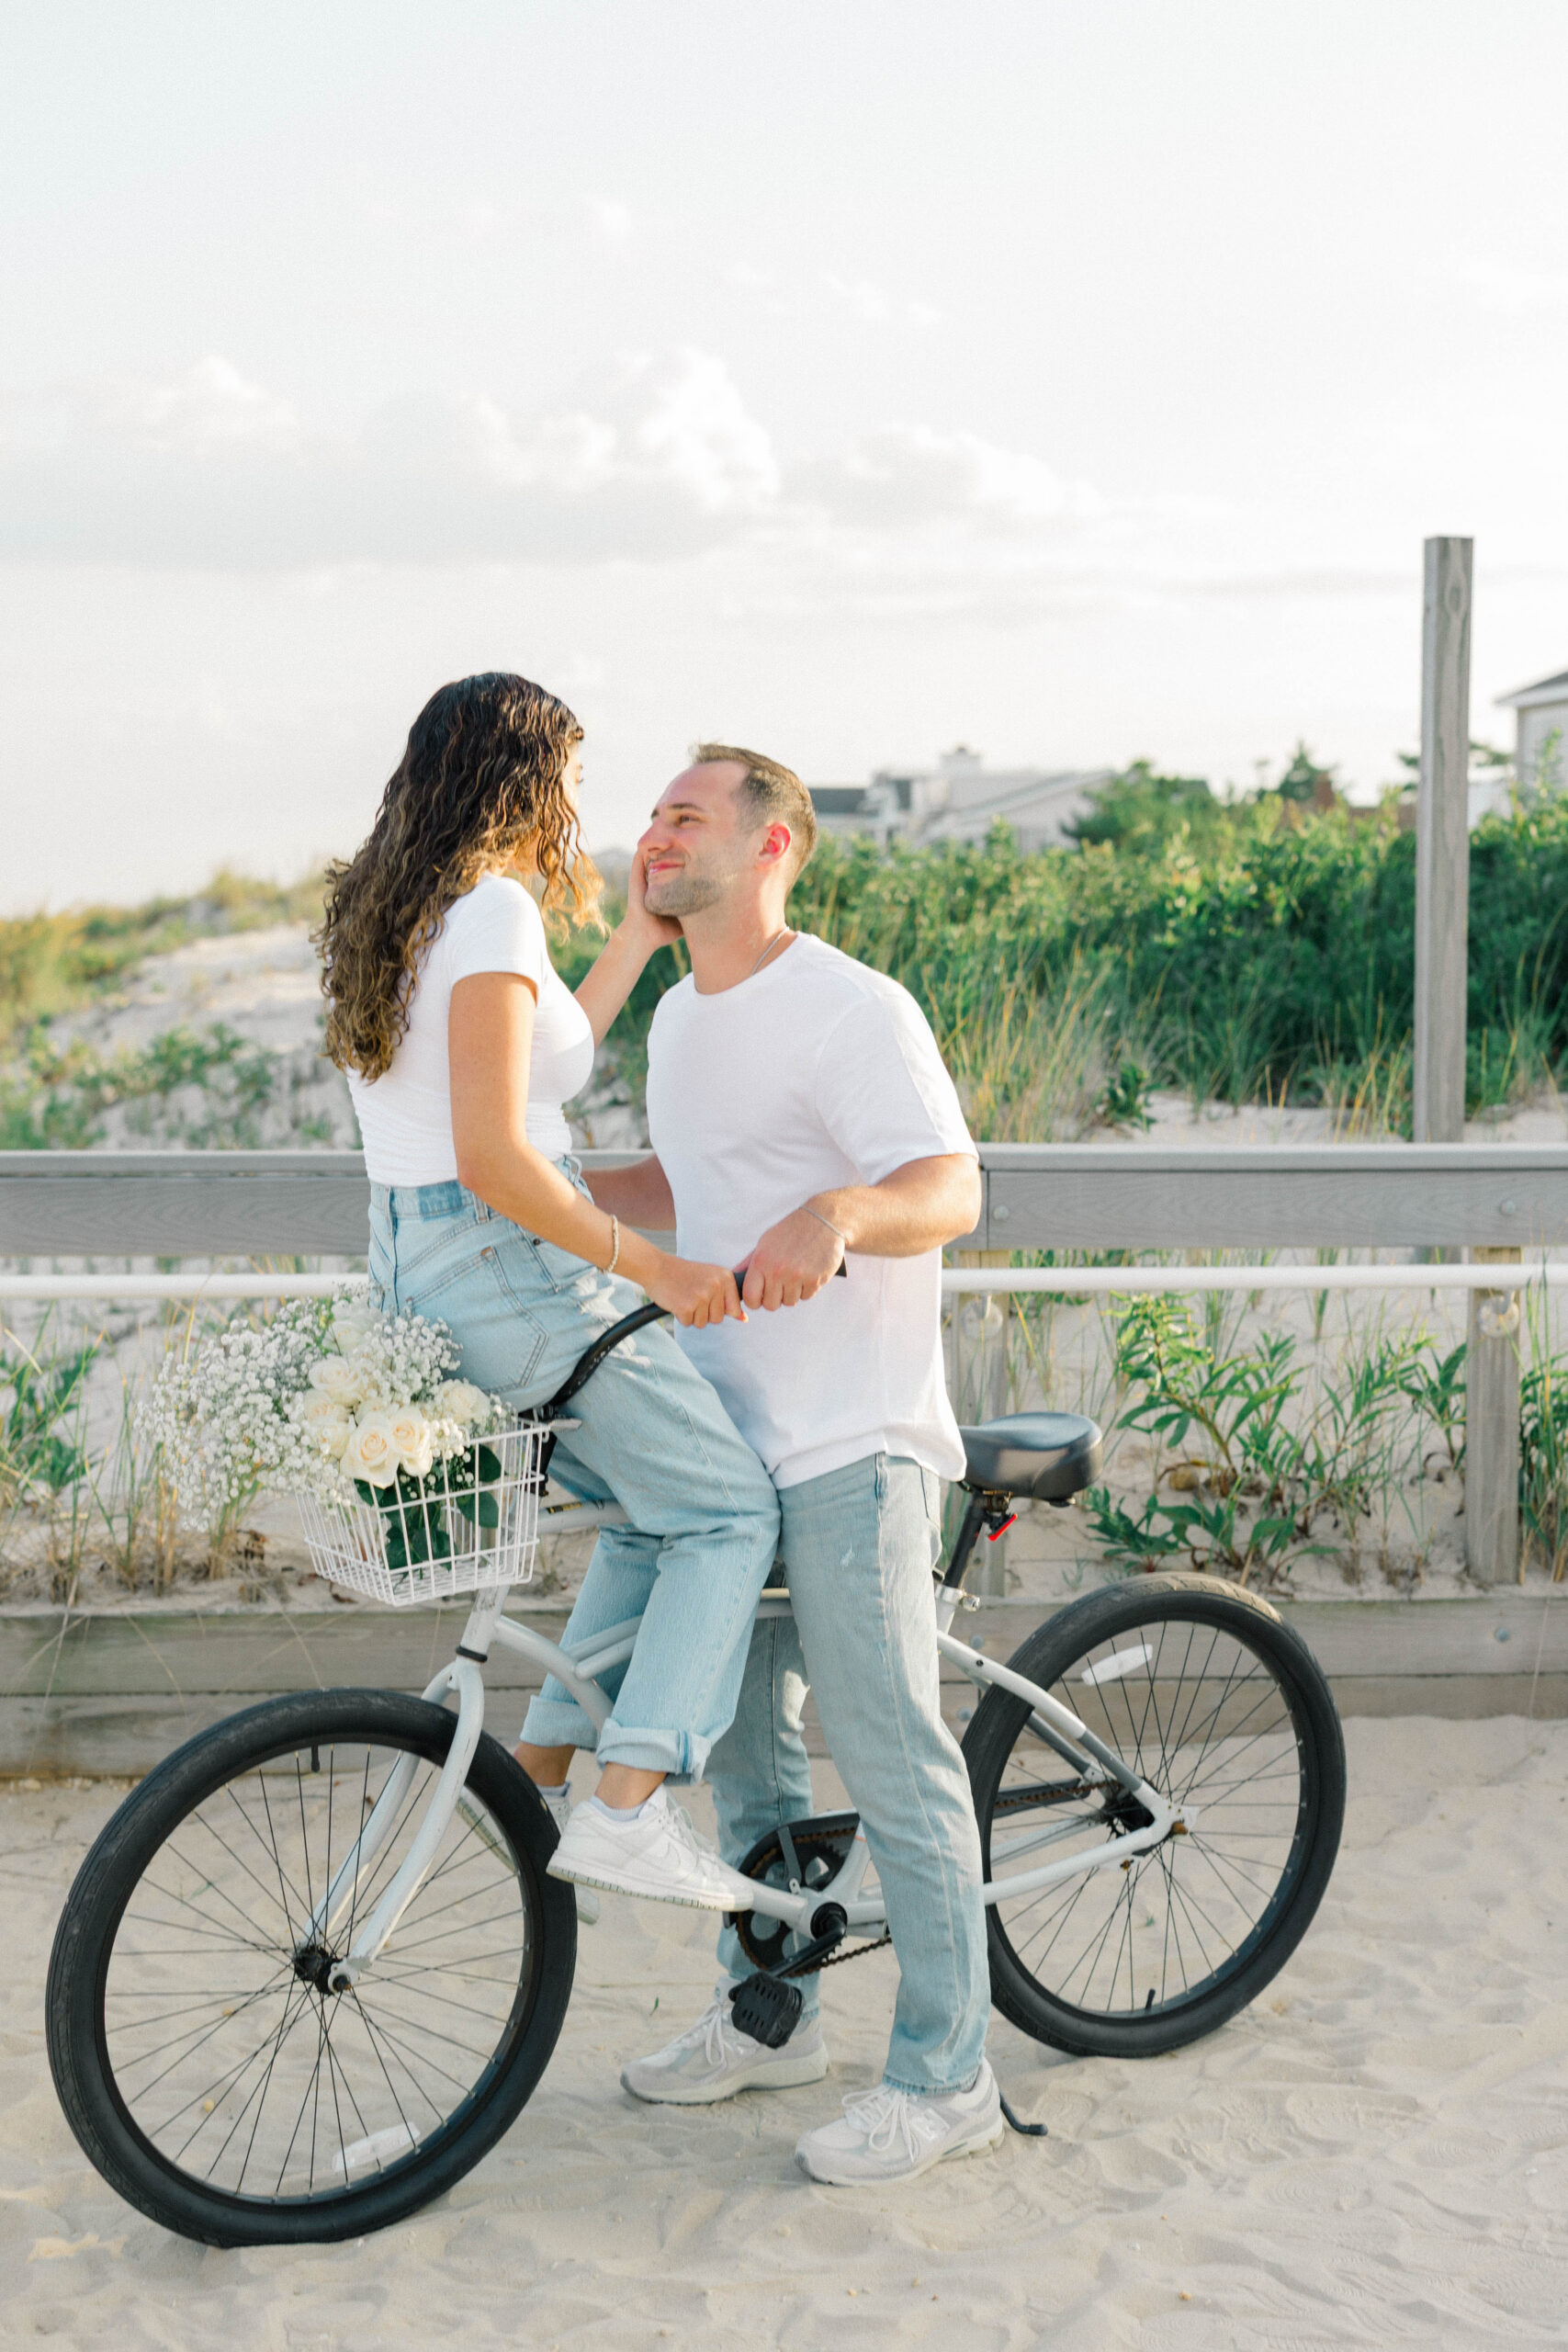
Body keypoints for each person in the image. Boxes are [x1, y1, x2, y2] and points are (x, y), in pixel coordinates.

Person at [570, 741, 1000, 2187]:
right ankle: (775, 2020)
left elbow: (951, 1184)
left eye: (687, 813)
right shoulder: (684, 1020)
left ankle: (950, 2081)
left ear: (774, 846)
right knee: (748, 1767)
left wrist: (837, 1212)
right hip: (728, 1452)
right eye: (651, 815)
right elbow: (687, 1186)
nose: (656, 832)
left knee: (889, 1755)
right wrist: (539, 1192)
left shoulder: (851, 1006)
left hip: (852, 1437)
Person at [317, 674, 779, 1912]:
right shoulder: (498, 910)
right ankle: (629, 1804)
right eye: (571, 776)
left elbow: (526, 1068)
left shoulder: (407, 909)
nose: (584, 801)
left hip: (423, 1280)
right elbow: (497, 1156)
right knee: (730, 1512)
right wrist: (660, 1269)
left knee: (648, 1510)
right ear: (523, 780)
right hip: (510, 1274)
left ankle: (544, 1767)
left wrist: (636, 932)